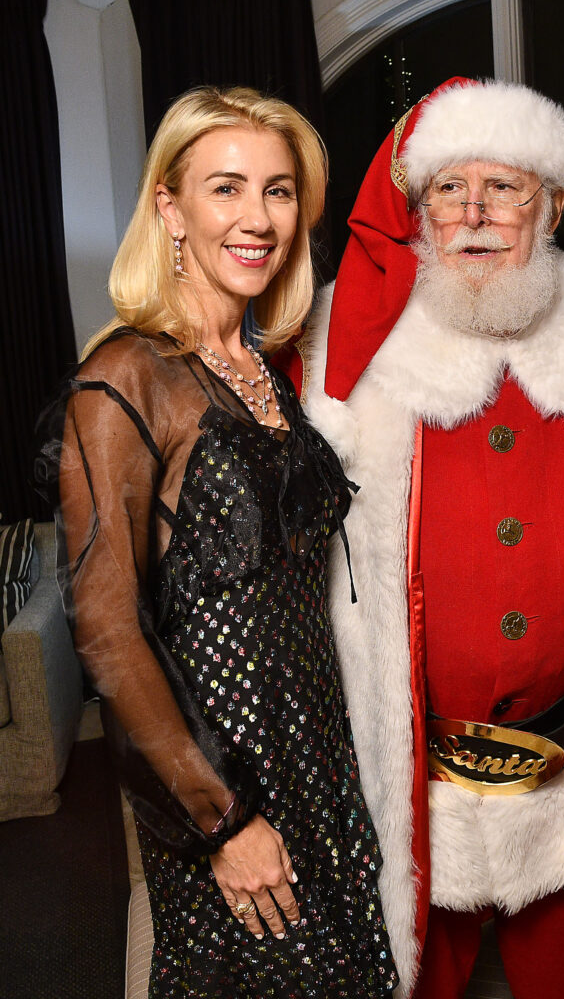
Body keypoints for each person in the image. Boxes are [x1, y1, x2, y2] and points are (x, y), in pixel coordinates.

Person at [277, 78, 564, 999]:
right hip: (415, 787)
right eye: (448, 189)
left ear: (554, 205)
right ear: (417, 210)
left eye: (507, 188)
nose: (475, 213)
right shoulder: (347, 348)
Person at [39, 86, 397, 998]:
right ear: (171, 208)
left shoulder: (264, 374)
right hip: (224, 776)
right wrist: (223, 820)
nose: (258, 218)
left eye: (279, 192)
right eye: (226, 188)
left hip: (317, 756)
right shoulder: (125, 375)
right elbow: (108, 628)